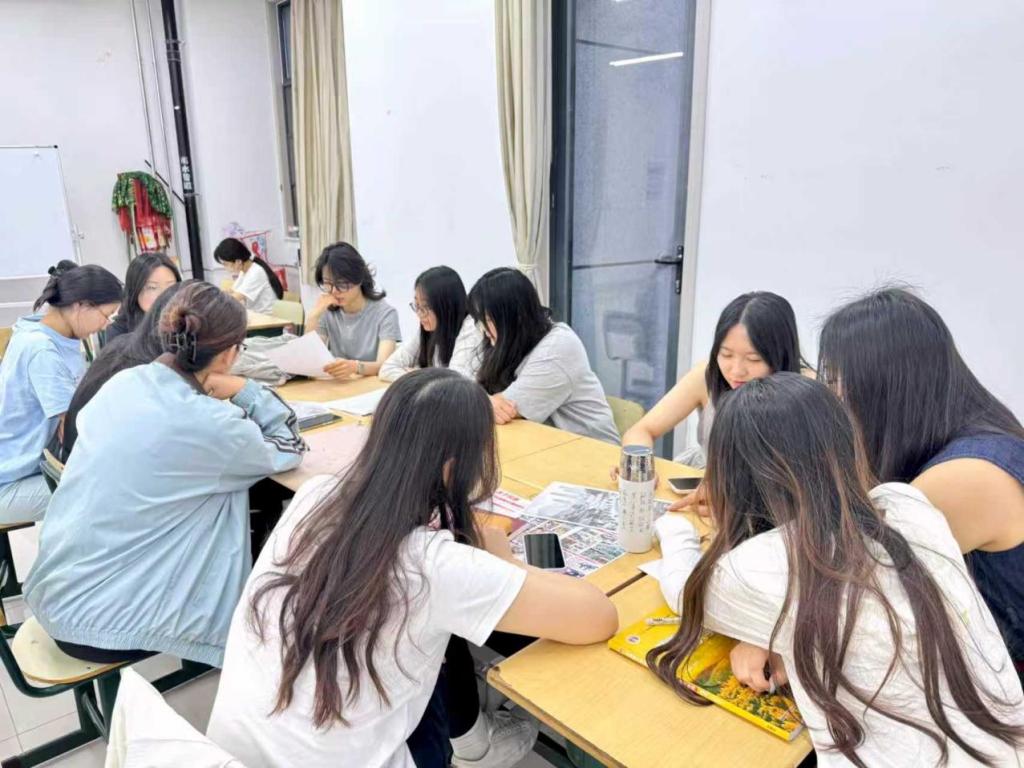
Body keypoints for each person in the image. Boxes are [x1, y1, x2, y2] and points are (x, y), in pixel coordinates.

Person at [207, 368, 618, 768]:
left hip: (233, 748)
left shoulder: (316, 495)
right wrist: (506, 563)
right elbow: (599, 616)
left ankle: (469, 734)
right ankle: (477, 746)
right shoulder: (435, 565)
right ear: (454, 467)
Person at [649, 374, 1024, 766]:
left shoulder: (756, 566)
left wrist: (674, 528)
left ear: (732, 476)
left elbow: (684, 592)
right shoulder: (905, 502)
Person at [24, 281, 305, 666]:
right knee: (271, 531)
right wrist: (244, 388)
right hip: (97, 627)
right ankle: (262, 659)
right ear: (228, 354)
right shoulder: (208, 423)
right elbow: (289, 445)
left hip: (56, 594)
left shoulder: (124, 383)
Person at [819, 287, 1024, 679]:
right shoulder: (967, 434)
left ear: (881, 387)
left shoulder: (965, 477)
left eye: (836, 382)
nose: (831, 399)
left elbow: (859, 591)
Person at [620, 291, 805, 474]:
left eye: (753, 359)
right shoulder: (707, 376)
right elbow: (642, 431)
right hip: (703, 480)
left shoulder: (806, 392)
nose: (736, 371)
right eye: (726, 355)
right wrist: (639, 467)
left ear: (781, 355)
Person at [0, 261, 122, 523]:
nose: (105, 325)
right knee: (107, 493)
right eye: (106, 315)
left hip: (25, 468)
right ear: (81, 305)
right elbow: (72, 429)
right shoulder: (41, 349)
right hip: (9, 483)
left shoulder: (42, 329)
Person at [468, 268, 618, 444]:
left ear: (514, 316)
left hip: (594, 453)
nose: (483, 329)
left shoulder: (557, 347)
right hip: (546, 446)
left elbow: (506, 410)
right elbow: (473, 391)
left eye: (488, 319)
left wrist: (484, 402)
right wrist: (485, 401)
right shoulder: (509, 343)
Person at [49, 282, 185, 463]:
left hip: (79, 458)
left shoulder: (127, 344)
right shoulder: (146, 370)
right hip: (88, 464)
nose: (106, 324)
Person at [307, 242, 401, 380]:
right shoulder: (327, 311)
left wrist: (355, 367)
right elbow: (310, 360)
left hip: (370, 386)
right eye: (327, 283)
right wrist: (313, 317)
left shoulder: (385, 314)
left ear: (359, 278)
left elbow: (385, 366)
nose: (334, 291)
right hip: (338, 384)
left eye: (341, 283)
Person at [379, 266, 485, 382]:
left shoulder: (471, 328)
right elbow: (387, 368)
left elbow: (454, 383)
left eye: (425, 306)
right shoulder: (429, 327)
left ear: (446, 306)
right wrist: (423, 376)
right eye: (417, 305)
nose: (419, 314)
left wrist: (419, 374)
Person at [104, 252, 181, 343]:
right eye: (152, 287)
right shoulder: (119, 331)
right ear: (135, 290)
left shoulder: (187, 323)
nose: (164, 294)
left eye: (171, 286)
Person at [214, 237, 284, 315]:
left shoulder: (256, 272)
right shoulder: (244, 271)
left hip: (267, 318)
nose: (225, 267)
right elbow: (232, 291)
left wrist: (214, 301)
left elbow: (234, 298)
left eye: (226, 264)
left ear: (238, 261)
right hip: (255, 316)